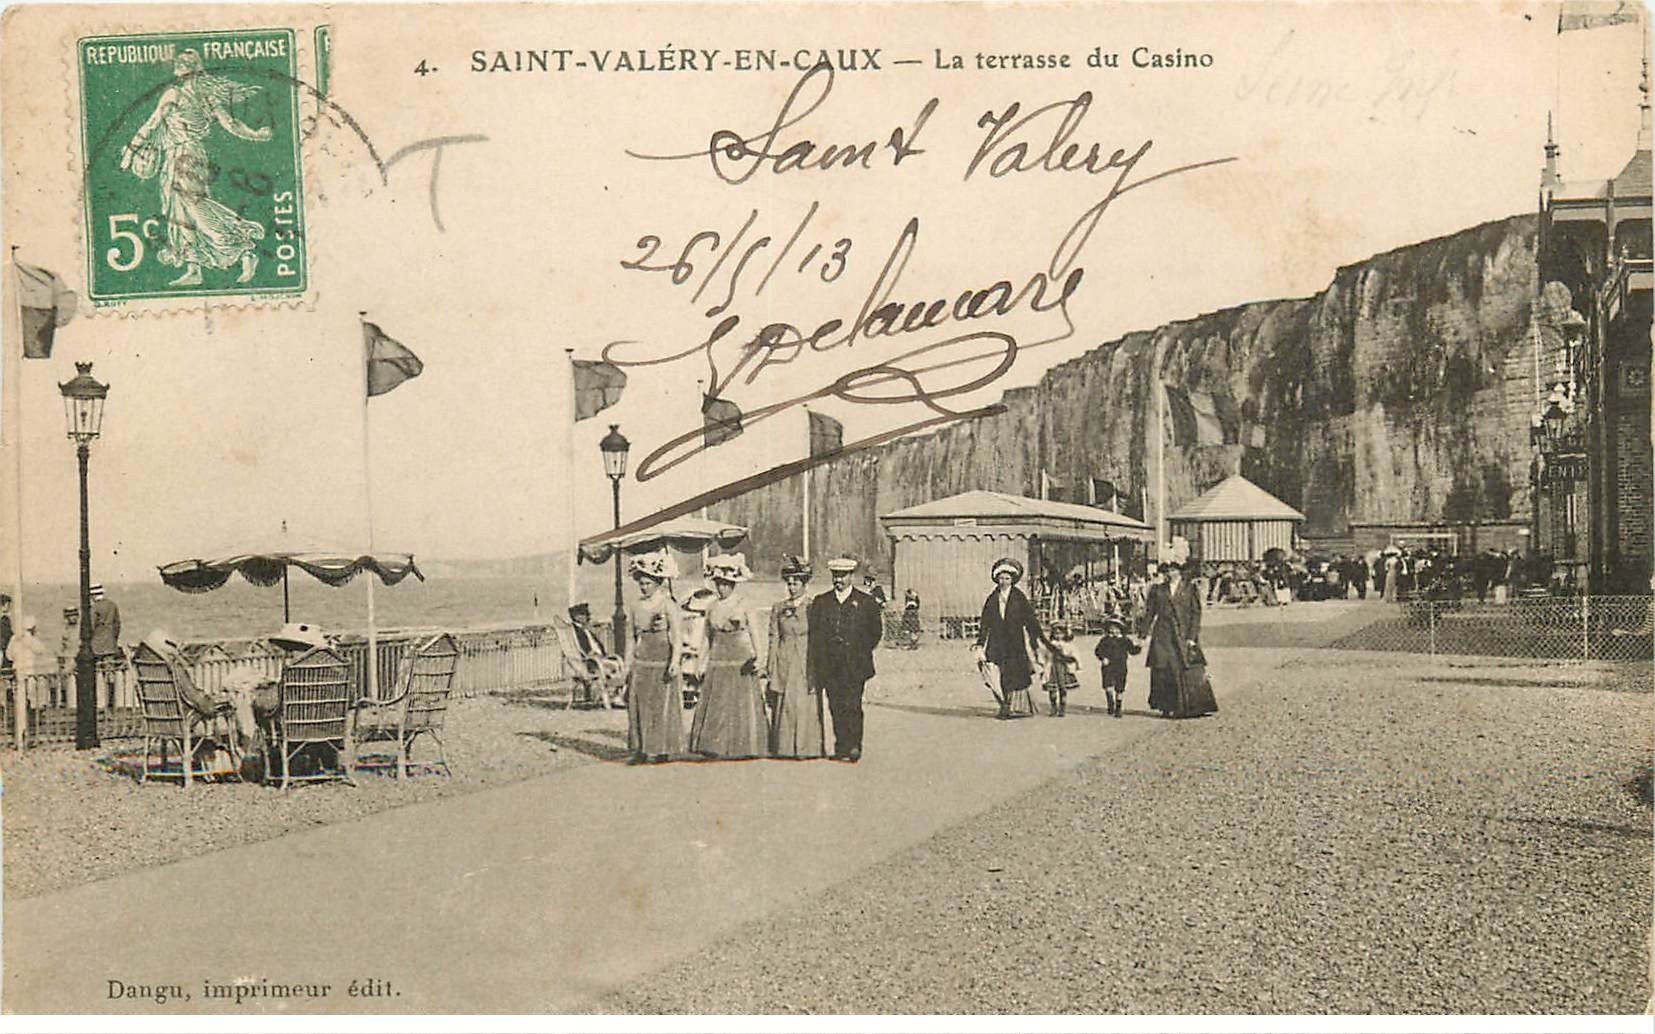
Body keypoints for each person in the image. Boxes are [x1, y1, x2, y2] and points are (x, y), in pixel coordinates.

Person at [120, 49, 273, 286]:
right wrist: (257, 135)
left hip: (182, 154)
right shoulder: (207, 97)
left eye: (180, 66)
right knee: (179, 211)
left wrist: (131, 150)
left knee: (193, 208)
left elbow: (152, 124)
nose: (178, 70)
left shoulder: (173, 93)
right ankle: (194, 268)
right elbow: (231, 125)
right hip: (192, 154)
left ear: (180, 70)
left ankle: (242, 248)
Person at [688, 554, 768, 760]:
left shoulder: (744, 604)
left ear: (733, 583)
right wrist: (700, 661)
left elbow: (755, 633)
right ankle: (715, 745)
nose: (722, 588)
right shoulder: (712, 606)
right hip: (718, 657)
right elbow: (707, 637)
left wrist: (760, 657)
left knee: (740, 701)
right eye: (719, 584)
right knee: (718, 700)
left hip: (740, 657)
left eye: (726, 584)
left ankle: (744, 746)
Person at [807, 555, 883, 762]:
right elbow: (815, 633)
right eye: (835, 576)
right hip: (830, 665)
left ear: (851, 576)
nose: (838, 580)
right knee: (835, 704)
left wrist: (859, 651)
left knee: (853, 704)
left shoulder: (866, 602)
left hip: (855, 665)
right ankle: (841, 745)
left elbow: (875, 632)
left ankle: (854, 745)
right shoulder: (822, 602)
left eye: (843, 576)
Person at [623, 551, 687, 763]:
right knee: (639, 705)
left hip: (662, 660)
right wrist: (627, 664)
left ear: (658, 582)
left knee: (661, 706)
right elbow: (631, 638)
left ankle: (661, 750)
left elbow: (677, 637)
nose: (644, 587)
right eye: (641, 583)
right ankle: (640, 750)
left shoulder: (668, 604)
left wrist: (675, 661)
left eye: (648, 583)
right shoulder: (635, 606)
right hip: (643, 661)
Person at [974, 557, 1051, 720]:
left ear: (1013, 580)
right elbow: (985, 622)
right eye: (1001, 578)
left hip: (1014, 642)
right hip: (996, 642)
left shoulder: (1019, 598)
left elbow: (1030, 619)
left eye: (1007, 578)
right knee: (995, 672)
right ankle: (1004, 704)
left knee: (1014, 672)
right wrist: (980, 643)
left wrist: (1038, 638)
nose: (1004, 581)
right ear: (997, 579)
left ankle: (1012, 706)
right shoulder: (992, 598)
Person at [767, 556, 824, 759]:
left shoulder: (813, 607)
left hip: (806, 658)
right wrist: (771, 664)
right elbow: (774, 636)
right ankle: (784, 747)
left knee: (805, 702)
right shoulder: (778, 608)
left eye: (796, 583)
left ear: (804, 584)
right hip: (785, 657)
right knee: (786, 702)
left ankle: (807, 748)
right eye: (789, 583)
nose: (791, 587)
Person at [1144, 559, 1216, 718]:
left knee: (1185, 668)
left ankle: (1188, 706)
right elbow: (1150, 612)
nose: (1170, 573)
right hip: (1163, 634)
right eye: (1167, 571)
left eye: (1173, 570)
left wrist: (1192, 636)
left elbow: (1196, 614)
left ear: (1179, 571)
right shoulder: (1157, 589)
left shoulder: (1190, 588)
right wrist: (1143, 634)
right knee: (1163, 668)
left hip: (1183, 634)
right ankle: (1165, 706)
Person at [1093, 616, 1141, 718]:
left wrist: (1139, 647)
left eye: (1116, 628)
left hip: (1121, 665)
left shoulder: (1125, 640)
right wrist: (1103, 658)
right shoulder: (1105, 640)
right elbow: (1098, 651)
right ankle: (1110, 703)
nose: (1113, 630)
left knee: (1120, 687)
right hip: (1108, 666)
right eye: (1111, 628)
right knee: (1108, 686)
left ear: (1120, 629)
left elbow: (1132, 651)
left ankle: (1118, 707)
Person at [1042, 622, 1081, 717]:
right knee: (1052, 688)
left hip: (1063, 667)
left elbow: (1074, 654)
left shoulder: (1067, 644)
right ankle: (1053, 706)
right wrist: (1043, 665)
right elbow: (1045, 656)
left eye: (1060, 633)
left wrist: (1076, 663)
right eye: (1056, 633)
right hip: (1052, 667)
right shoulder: (1050, 644)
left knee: (1063, 688)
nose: (1058, 636)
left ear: (1064, 634)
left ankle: (1062, 707)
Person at [0, 593, 11, 674]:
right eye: (8, 605)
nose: (9, 607)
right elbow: (7, 634)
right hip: (4, 648)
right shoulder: (5, 619)